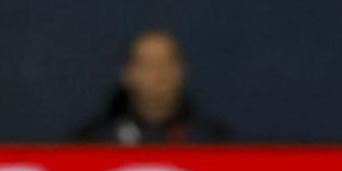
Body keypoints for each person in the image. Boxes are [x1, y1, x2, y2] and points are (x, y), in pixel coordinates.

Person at [75, 28, 233, 144]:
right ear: (127, 74)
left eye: (168, 63)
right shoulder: (95, 140)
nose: (160, 73)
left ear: (181, 71)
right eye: (149, 64)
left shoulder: (211, 140)